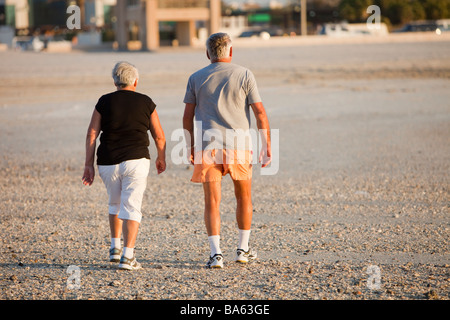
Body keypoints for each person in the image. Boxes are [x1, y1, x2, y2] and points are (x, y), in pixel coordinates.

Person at [183, 33, 271, 268]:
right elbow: (260, 112)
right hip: (239, 146)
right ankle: (242, 250)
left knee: (212, 201)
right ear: (230, 52)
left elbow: (187, 117)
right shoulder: (244, 74)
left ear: (207, 54)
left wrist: (190, 146)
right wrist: (266, 145)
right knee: (244, 197)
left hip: (207, 147)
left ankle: (216, 254)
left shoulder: (195, 77)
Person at [82, 61, 166, 270]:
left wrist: (88, 165)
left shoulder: (104, 101)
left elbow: (92, 133)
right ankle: (128, 257)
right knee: (132, 205)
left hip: (108, 161)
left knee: (115, 202)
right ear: (136, 81)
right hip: (136, 160)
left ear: (115, 81)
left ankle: (115, 248)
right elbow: (159, 136)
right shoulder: (146, 102)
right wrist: (161, 157)